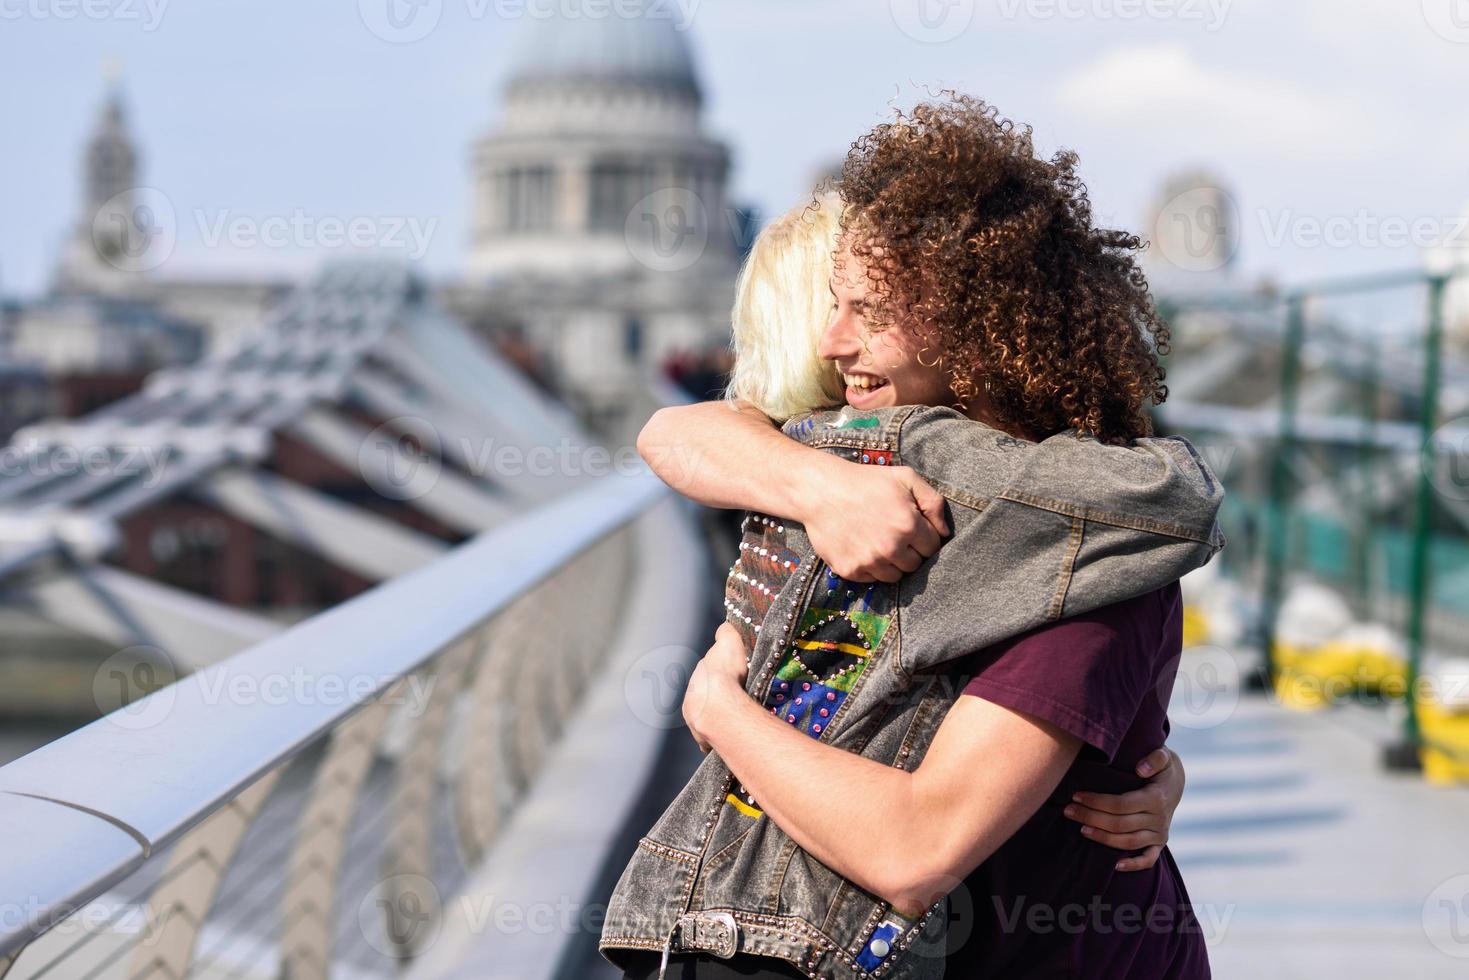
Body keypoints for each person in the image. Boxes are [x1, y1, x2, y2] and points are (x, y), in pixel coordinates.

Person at [602, 95, 1221, 979]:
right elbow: (677, 431)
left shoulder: (1078, 558)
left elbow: (915, 848)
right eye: (830, 305)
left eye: (868, 311)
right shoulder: (861, 477)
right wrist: (815, 485)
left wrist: (717, 710)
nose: (831, 341)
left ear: (974, 331)